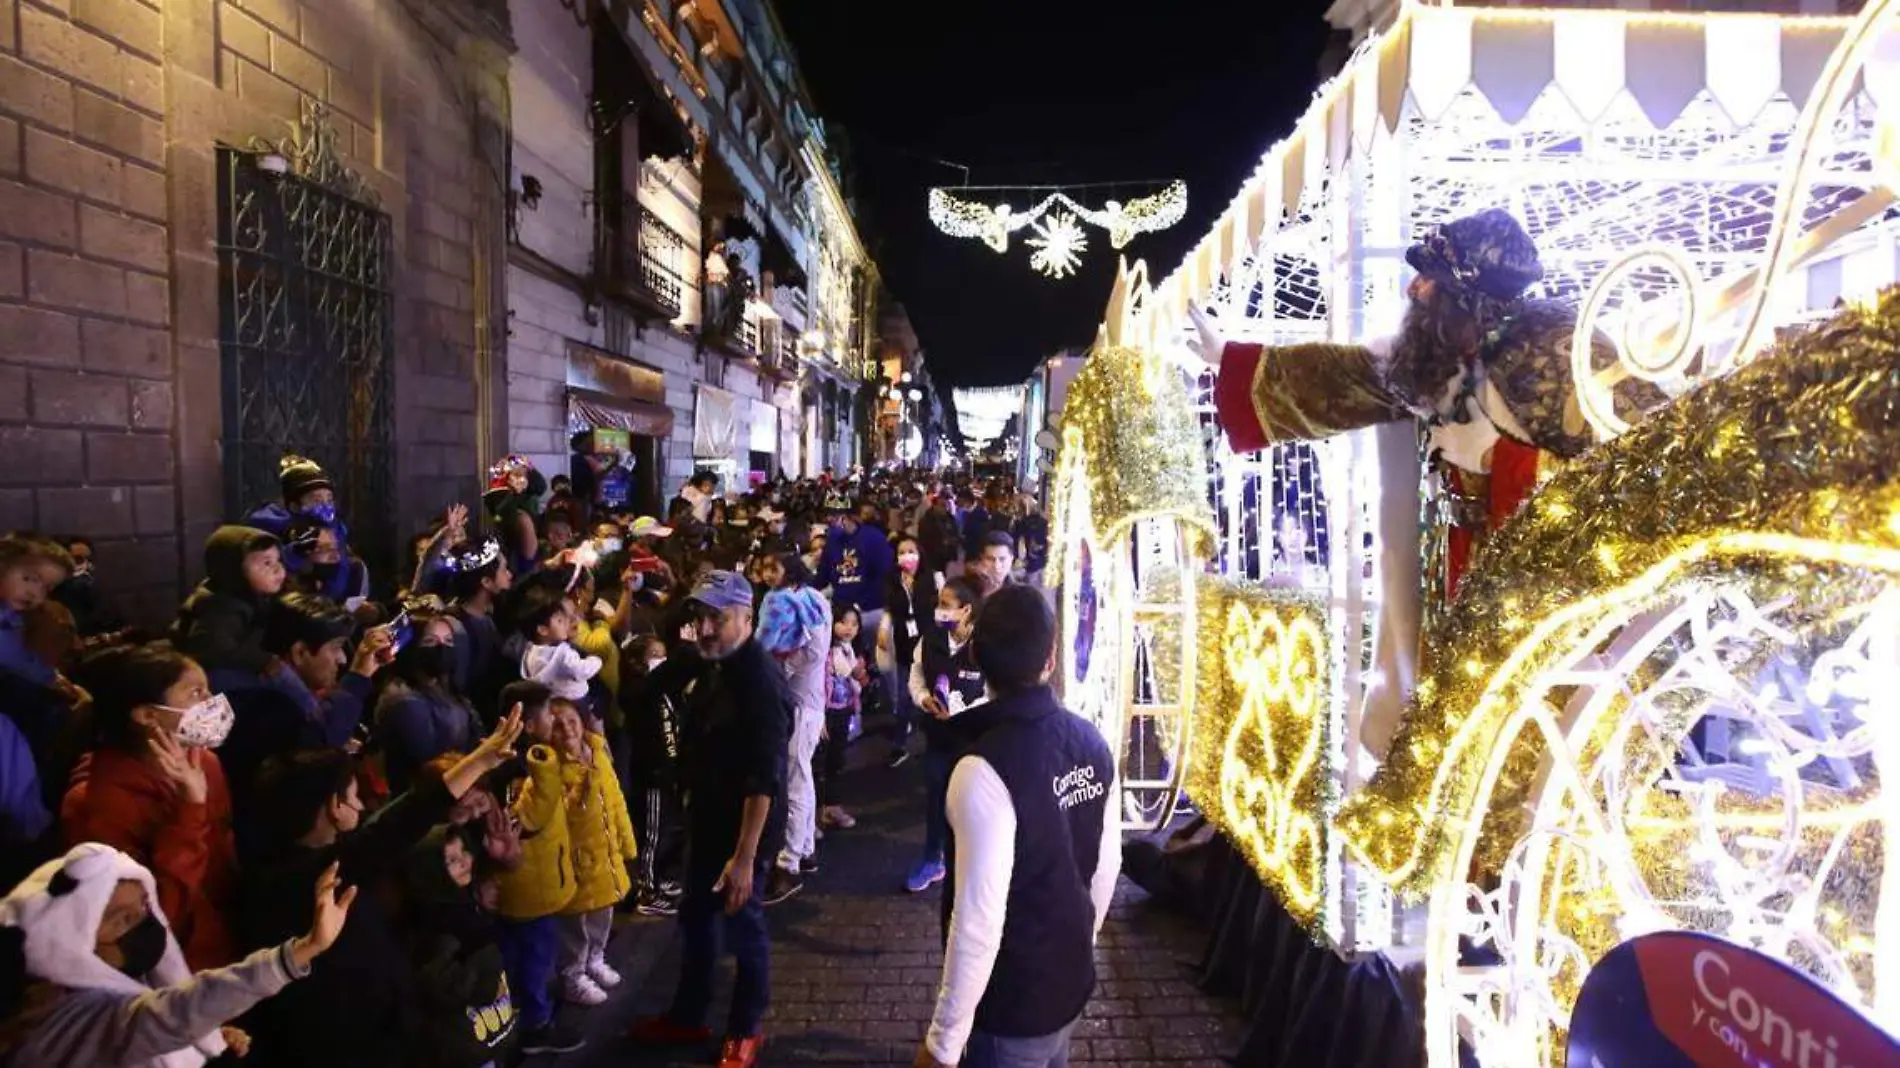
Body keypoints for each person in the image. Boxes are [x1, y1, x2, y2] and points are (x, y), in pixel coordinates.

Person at [237, 709, 531, 1068]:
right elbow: (401, 822)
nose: (361, 804)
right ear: (334, 807)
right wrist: (479, 761)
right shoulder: (317, 876)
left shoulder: (265, 875)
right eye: (353, 794)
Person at [918, 586, 1120, 1068]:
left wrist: (942, 1045)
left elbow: (977, 920)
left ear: (978, 657)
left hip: (1010, 1005)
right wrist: (1079, 943)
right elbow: (1108, 864)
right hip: (1067, 982)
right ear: (1050, 659)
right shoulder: (1089, 739)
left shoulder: (982, 768)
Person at [0, 843, 357, 1068]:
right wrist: (302, 950)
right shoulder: (59, 1018)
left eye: (144, 906)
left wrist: (201, 1037)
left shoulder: (110, 981)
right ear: (74, 936)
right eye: (121, 919)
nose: (144, 922)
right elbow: (169, 1015)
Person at [629, 570, 790, 1068]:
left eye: (718, 618)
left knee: (745, 928)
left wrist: (743, 859)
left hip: (745, 831)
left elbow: (764, 780)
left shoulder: (760, 681)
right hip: (706, 817)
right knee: (696, 920)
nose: (706, 629)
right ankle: (688, 1014)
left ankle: (744, 1030)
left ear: (747, 617)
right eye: (700, 617)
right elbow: (645, 693)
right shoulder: (705, 661)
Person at [61, 644, 239, 971]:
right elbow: (153, 916)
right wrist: (190, 808)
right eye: (195, 693)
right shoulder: (95, 804)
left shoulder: (205, 762)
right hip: (174, 971)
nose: (211, 702)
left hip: (224, 945)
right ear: (147, 715)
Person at [485, 683, 585, 1055]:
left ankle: (514, 1017)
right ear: (527, 725)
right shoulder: (525, 768)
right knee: (534, 958)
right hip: (528, 887)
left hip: (524, 885)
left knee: (517, 955)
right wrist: (547, 762)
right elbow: (529, 817)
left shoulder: (520, 761)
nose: (555, 721)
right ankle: (535, 1026)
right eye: (548, 715)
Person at [548, 696, 636, 1006]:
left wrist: (626, 842)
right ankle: (573, 976)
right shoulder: (550, 767)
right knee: (574, 926)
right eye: (557, 725)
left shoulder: (598, 752)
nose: (567, 729)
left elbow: (616, 801)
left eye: (571, 721)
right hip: (574, 860)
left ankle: (595, 960)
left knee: (602, 913)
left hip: (605, 855)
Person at [754, 550, 828, 902]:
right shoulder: (794, 598)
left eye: (773, 567)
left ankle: (790, 863)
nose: (768, 574)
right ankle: (806, 847)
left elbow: (815, 651)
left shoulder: (807, 601)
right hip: (800, 702)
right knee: (803, 776)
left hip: (801, 704)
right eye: (764, 568)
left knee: (796, 780)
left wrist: (778, 670)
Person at [905, 577, 986, 895]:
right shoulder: (931, 638)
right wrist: (922, 698)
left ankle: (973, 865)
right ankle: (931, 859)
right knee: (937, 797)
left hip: (974, 741)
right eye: (939, 603)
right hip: (938, 737)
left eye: (946, 605)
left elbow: (994, 691)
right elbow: (916, 673)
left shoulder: (984, 644)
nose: (939, 610)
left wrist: (964, 712)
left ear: (966, 610)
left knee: (972, 804)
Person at [374, 612, 485, 795]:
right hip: (427, 799)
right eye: (430, 642)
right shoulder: (404, 701)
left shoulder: (446, 687)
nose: (442, 648)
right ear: (413, 648)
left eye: (448, 641)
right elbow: (431, 764)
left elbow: (476, 734)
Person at [620, 634, 687, 916]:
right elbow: (640, 701)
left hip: (673, 770)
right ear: (637, 663)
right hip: (653, 773)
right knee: (653, 833)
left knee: (674, 828)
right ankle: (647, 889)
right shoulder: (637, 691)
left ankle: (666, 877)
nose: (662, 660)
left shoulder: (667, 689)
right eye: (655, 655)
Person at [881, 534, 939, 767]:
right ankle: (899, 744)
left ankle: (933, 743)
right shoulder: (892, 579)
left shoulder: (932, 577)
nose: (907, 556)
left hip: (929, 641)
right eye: (902, 552)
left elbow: (941, 608)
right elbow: (890, 609)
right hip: (905, 642)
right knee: (904, 696)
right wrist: (884, 629)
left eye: (911, 551)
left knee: (933, 691)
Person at [818, 604, 862, 832]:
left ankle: (832, 808)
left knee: (836, 761)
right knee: (819, 765)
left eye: (854, 624)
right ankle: (813, 816)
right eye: (843, 622)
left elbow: (853, 678)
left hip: (842, 709)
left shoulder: (848, 647)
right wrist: (819, 717)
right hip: (825, 714)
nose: (848, 628)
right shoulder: (824, 651)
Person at [1013, 497, 1049, 588]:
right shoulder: (1044, 522)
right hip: (1044, 561)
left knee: (1031, 589)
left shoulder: (1023, 523)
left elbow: (1016, 541)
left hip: (1031, 561)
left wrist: (1017, 557)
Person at [971, 530, 1016, 597]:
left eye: (1002, 559)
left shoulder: (1020, 594)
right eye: (990, 559)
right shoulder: (966, 586)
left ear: (1011, 558)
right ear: (981, 558)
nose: (996, 566)